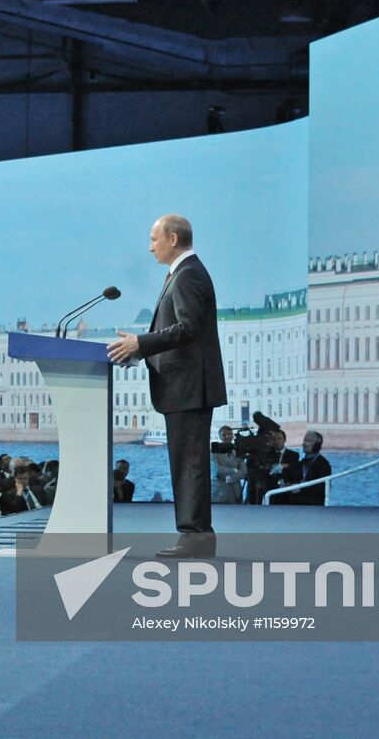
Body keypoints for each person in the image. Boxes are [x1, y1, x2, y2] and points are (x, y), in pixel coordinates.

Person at [107, 213, 226, 559]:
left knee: (189, 464)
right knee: (187, 463)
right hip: (185, 386)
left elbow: (188, 328)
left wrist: (140, 344)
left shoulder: (187, 275)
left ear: (173, 239)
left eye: (154, 239)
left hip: (188, 387)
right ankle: (195, 536)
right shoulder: (183, 273)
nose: (149, 247)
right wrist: (138, 350)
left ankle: (195, 537)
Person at [296, 431, 332, 506]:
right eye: (304, 441)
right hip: (298, 504)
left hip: (314, 506)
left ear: (317, 445)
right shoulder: (301, 462)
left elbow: (323, 488)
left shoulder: (323, 464)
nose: (304, 444)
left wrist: (301, 488)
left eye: (308, 441)